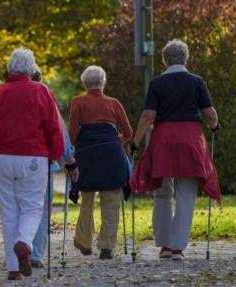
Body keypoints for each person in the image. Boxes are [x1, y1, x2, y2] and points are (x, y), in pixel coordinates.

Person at [0, 48, 70, 280]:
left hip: (0, 158)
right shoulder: (42, 91)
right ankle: (24, 242)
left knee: (9, 211)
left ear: (9, 69)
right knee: (33, 206)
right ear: (32, 69)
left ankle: (13, 269)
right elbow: (53, 128)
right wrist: (55, 154)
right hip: (33, 157)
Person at [130, 39, 221, 261]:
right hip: (191, 140)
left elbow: (148, 116)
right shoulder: (197, 82)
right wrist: (215, 126)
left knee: (162, 192)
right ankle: (178, 247)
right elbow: (209, 114)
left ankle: (164, 246)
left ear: (164, 60)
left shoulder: (157, 84)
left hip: (163, 140)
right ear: (186, 58)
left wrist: (135, 141)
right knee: (186, 194)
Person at [68, 65, 133, 260]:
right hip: (112, 156)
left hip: (86, 156)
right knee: (111, 201)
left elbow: (71, 137)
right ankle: (107, 247)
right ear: (103, 82)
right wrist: (114, 142)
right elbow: (128, 133)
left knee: (87, 200)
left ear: (85, 83)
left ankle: (85, 242)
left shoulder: (77, 102)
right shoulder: (114, 103)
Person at [29, 66, 76, 268]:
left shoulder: (7, 97)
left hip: (12, 160)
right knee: (41, 207)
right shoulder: (47, 99)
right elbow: (60, 131)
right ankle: (36, 254)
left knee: (20, 208)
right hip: (42, 161)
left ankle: (20, 249)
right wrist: (70, 161)